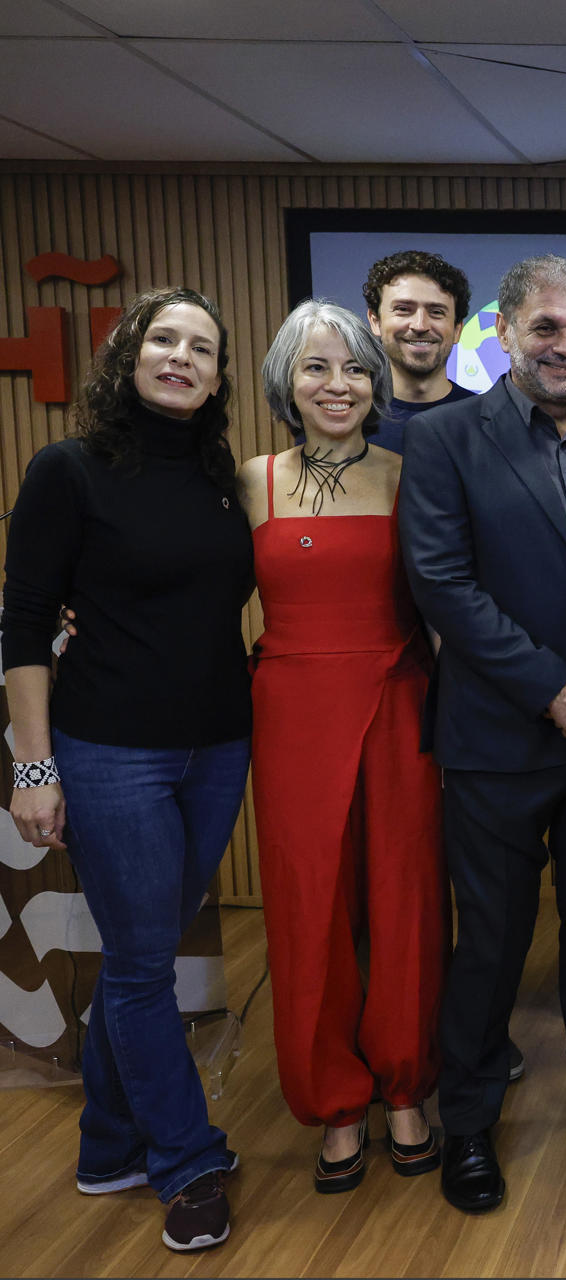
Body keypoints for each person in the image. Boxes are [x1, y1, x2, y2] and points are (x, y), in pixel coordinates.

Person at [398, 254, 566, 1215]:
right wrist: (558, 688)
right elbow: (445, 587)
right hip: (496, 739)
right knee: (495, 941)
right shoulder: (443, 439)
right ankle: (468, 1118)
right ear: (507, 333)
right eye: (547, 329)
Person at [4, 287, 251, 1252]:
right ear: (130, 355)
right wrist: (35, 769)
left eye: (202, 347)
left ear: (220, 375)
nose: (182, 357)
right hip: (111, 752)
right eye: (165, 340)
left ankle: (107, 1141)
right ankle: (186, 1161)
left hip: (218, 746)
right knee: (146, 964)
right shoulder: (68, 470)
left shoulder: (222, 475)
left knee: (137, 958)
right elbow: (25, 622)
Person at [238, 299, 447, 1192]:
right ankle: (332, 1101)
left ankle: (404, 1087)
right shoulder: (250, 480)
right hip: (289, 711)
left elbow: (444, 608)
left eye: (356, 369)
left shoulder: (411, 474)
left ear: (377, 383)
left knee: (406, 898)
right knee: (306, 905)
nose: (339, 385)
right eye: (318, 367)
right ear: (286, 377)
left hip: (400, 702)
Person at [361, 250, 475, 451]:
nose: (420, 325)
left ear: (458, 329)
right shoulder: (348, 420)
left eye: (436, 312)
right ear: (375, 321)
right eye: (403, 309)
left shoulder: (488, 425)